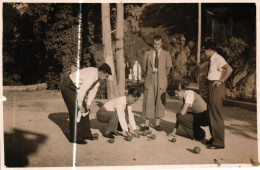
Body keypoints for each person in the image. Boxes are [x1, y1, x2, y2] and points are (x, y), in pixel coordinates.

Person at [60, 63, 112, 144]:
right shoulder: (91, 75)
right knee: (76, 109)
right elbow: (82, 90)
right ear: (102, 72)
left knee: (85, 111)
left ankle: (86, 134)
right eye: (106, 76)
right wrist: (80, 105)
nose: (106, 78)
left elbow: (93, 91)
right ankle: (76, 138)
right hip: (67, 86)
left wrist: (88, 104)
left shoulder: (98, 78)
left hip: (75, 88)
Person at [203, 40, 233, 149]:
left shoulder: (218, 58)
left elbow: (229, 69)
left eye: (204, 50)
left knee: (216, 114)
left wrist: (221, 81)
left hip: (216, 88)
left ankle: (219, 143)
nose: (204, 53)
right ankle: (214, 138)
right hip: (211, 86)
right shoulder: (212, 59)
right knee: (211, 113)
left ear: (209, 50)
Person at [141, 35, 172, 131]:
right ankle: (147, 124)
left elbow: (168, 67)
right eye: (155, 44)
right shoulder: (147, 54)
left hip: (161, 79)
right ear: (153, 43)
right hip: (150, 79)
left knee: (160, 101)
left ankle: (157, 123)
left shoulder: (166, 54)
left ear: (161, 44)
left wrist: (162, 75)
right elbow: (144, 67)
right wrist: (150, 75)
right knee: (148, 100)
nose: (156, 46)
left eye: (158, 44)